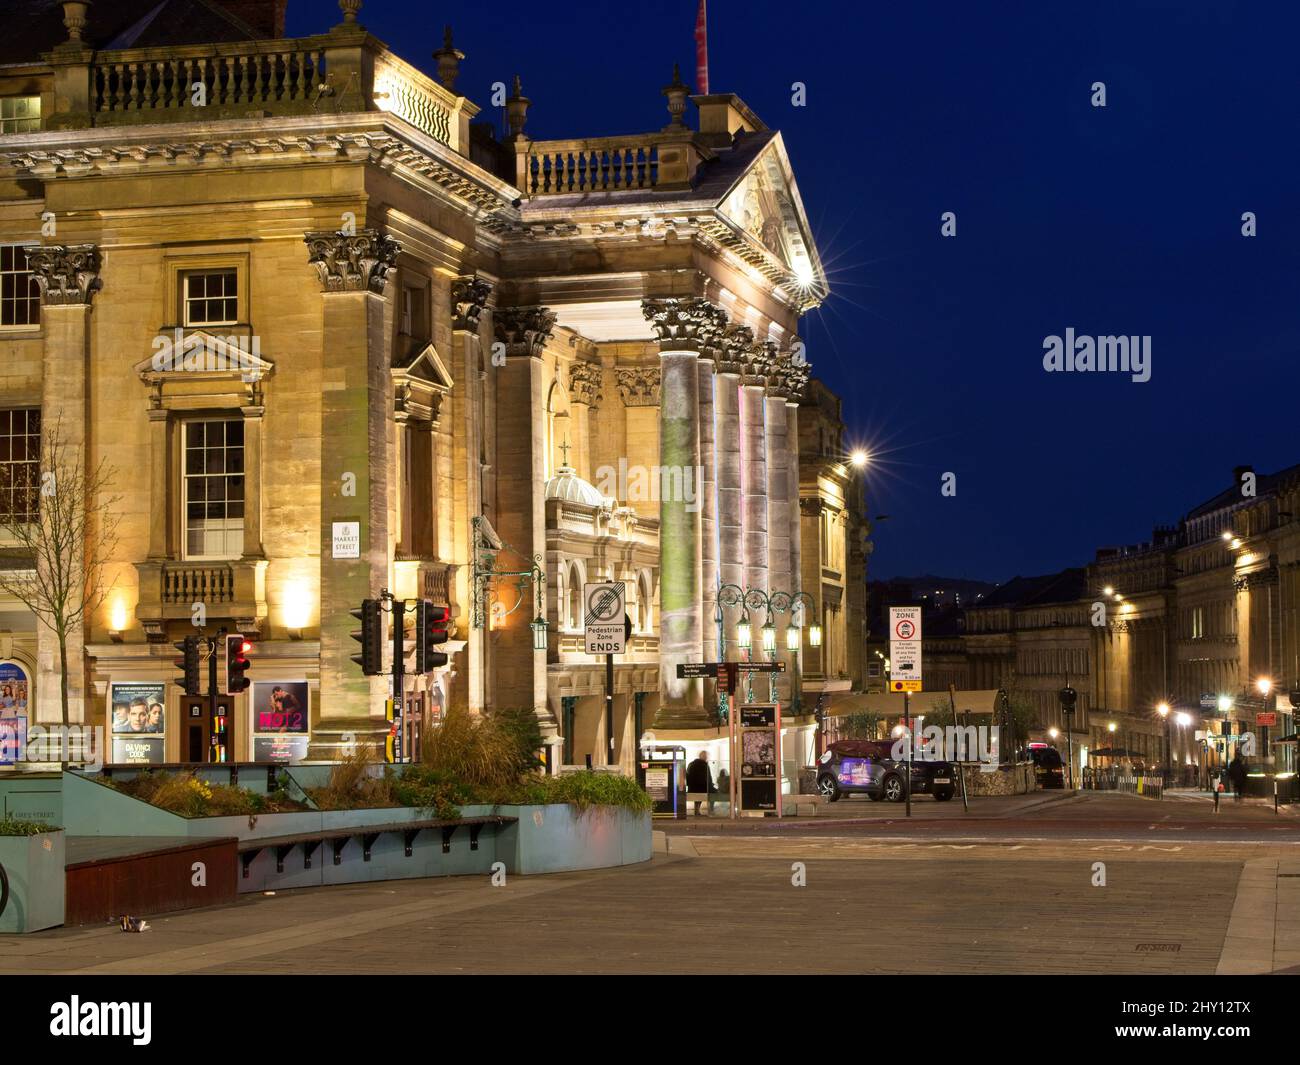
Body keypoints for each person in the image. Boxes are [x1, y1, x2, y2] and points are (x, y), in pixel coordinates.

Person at [685, 750, 716, 816]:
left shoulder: (691, 764)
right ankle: (711, 810)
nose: (707, 757)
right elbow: (708, 779)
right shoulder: (705, 765)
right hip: (702, 788)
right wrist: (711, 785)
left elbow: (688, 777)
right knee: (714, 792)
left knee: (699, 793)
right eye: (706, 756)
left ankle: (697, 810)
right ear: (704, 757)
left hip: (692, 789)